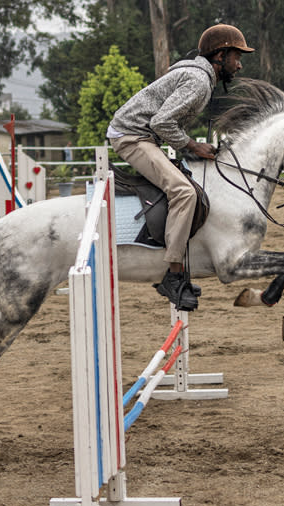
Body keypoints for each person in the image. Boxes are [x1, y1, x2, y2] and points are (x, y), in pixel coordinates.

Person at [107, 24, 253, 311]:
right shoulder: (198, 82)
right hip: (132, 136)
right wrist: (193, 146)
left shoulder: (199, 76)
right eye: (237, 56)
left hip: (143, 135)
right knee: (184, 192)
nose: (240, 64)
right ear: (220, 56)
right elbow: (161, 123)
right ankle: (172, 275)